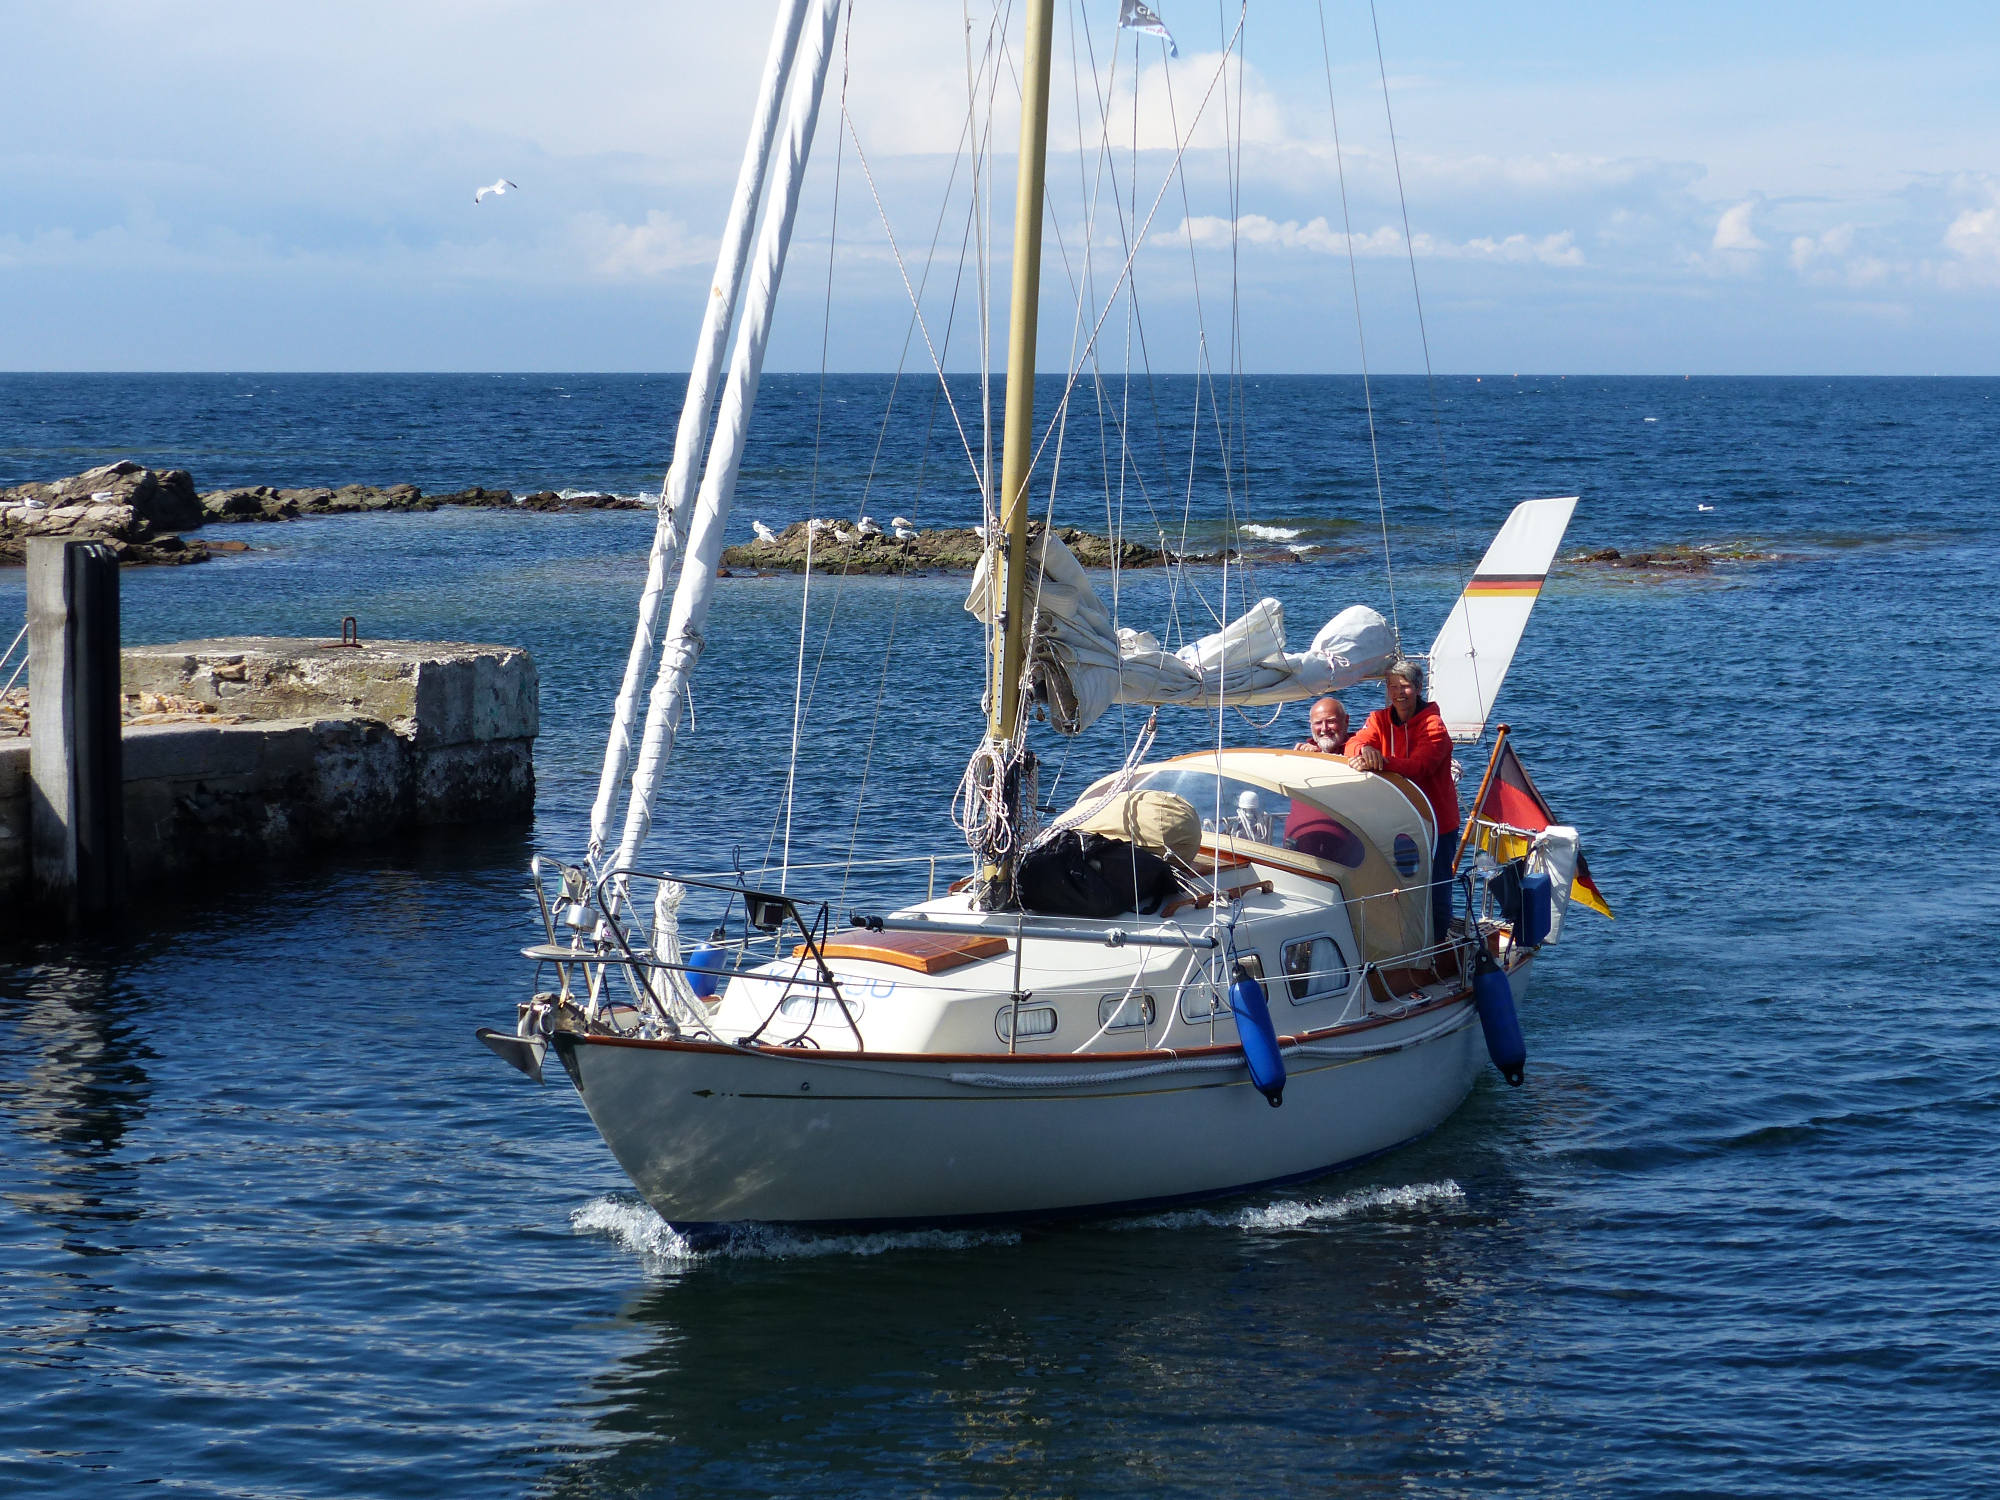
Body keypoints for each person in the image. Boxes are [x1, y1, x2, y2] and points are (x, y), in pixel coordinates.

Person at [1345, 659, 1460, 945]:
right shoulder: (1379, 720)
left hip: (1435, 824)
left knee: (1435, 890)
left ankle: (1434, 949)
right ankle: (1397, 943)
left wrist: (1381, 762)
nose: (1398, 693)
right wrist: (1365, 749)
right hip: (1395, 820)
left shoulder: (1435, 726)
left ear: (1419, 688)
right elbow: (1353, 744)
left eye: (1405, 686)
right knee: (1394, 884)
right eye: (1392, 686)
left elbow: (1421, 765)